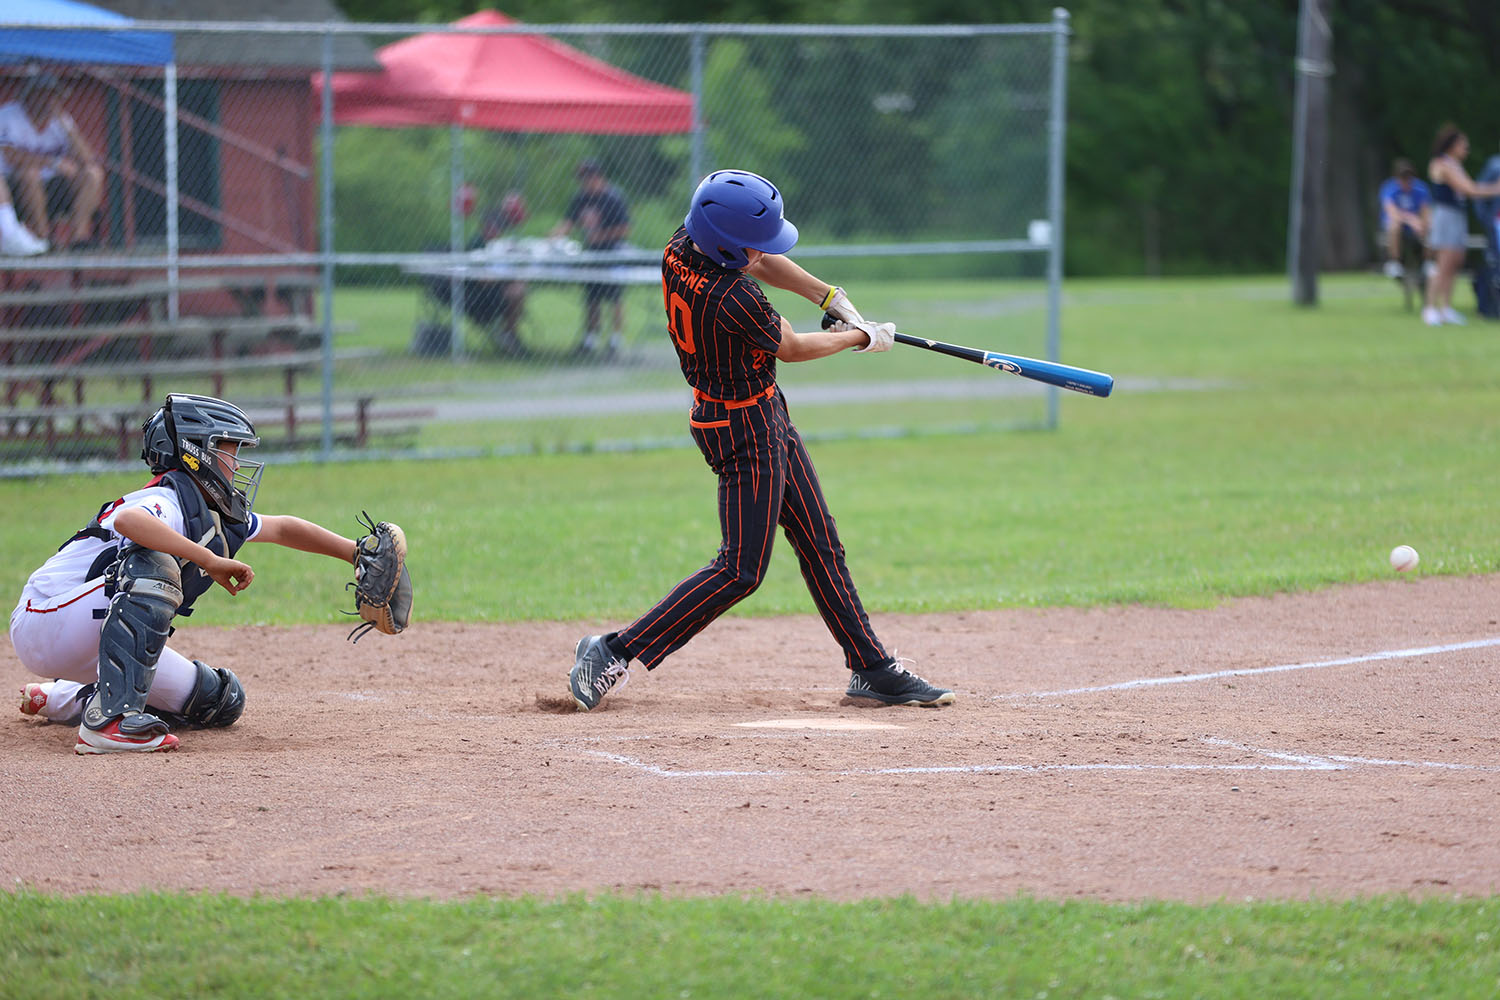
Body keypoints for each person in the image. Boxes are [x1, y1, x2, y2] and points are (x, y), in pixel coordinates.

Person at [568, 169, 955, 713]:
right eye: (752, 243)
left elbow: (757, 257)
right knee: (739, 570)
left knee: (820, 542)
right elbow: (792, 347)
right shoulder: (734, 298)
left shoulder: (683, 247)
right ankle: (612, 649)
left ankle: (871, 668)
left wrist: (829, 294)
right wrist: (860, 337)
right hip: (741, 430)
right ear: (726, 246)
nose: (762, 251)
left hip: (757, 413)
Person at [11, 393, 365, 754]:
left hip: (87, 634)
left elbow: (283, 528)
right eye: (230, 450)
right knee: (153, 565)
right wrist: (208, 560)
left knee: (220, 700)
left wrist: (355, 553)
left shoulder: (205, 510)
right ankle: (110, 724)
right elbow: (130, 522)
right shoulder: (166, 500)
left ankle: (64, 698)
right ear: (198, 452)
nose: (237, 462)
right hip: (44, 619)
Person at [0, 72, 105, 250]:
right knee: (30, 174)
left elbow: (87, 158)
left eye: (53, 94)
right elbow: (10, 155)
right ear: (31, 94)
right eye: (44, 93)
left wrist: (67, 127)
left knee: (93, 174)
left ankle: (78, 239)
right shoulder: (8, 115)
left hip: (53, 186)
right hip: (13, 184)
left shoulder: (61, 120)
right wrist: (53, 163)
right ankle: (44, 239)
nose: (49, 100)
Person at [550, 159, 631, 357]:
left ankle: (615, 339)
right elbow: (568, 222)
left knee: (614, 297)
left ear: (597, 177)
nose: (584, 182)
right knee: (592, 297)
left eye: (587, 178)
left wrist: (601, 236)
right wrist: (554, 236)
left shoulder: (612, 197)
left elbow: (625, 229)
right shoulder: (581, 198)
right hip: (592, 252)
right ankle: (591, 338)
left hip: (612, 252)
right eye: (582, 178)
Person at [1421, 125, 1500, 326]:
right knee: (1443, 263)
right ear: (1452, 145)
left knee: (1456, 262)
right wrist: (1495, 188)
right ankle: (1430, 308)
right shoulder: (1442, 164)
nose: (1466, 149)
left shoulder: (1455, 165)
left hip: (1458, 215)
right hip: (1445, 216)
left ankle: (1446, 308)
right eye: (1463, 145)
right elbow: (1468, 189)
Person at [1377, 158, 1431, 280]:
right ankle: (1394, 262)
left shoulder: (1421, 188)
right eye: (1403, 177)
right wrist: (1412, 220)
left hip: (1416, 228)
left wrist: (1422, 223)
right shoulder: (1389, 188)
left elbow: (1426, 211)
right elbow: (1392, 212)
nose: (1406, 181)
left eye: (1408, 177)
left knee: (1429, 224)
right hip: (1397, 227)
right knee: (1394, 224)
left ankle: (1428, 261)